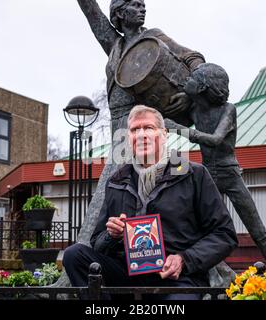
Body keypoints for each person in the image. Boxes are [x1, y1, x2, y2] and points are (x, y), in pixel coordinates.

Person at [63, 105, 238, 300]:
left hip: (178, 278)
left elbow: (224, 234)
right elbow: (97, 243)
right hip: (127, 273)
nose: (141, 134)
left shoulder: (193, 174)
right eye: (135, 130)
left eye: (148, 128)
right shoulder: (117, 181)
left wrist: (184, 259)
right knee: (74, 255)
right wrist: (111, 235)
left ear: (163, 134)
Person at [76, 0, 205, 245]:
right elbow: (91, 11)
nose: (143, 9)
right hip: (118, 128)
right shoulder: (115, 45)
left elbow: (193, 58)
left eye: (143, 5)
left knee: (105, 195)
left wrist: (190, 92)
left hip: (135, 129)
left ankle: (80, 267)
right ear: (120, 13)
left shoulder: (153, 37)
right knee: (123, 198)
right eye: (136, 5)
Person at [164, 63, 266, 273]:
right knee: (201, 227)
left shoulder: (228, 109)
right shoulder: (194, 108)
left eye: (192, 80)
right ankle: (208, 276)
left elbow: (215, 140)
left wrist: (177, 129)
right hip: (208, 175)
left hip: (229, 173)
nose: (186, 82)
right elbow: (171, 108)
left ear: (202, 87)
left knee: (255, 226)